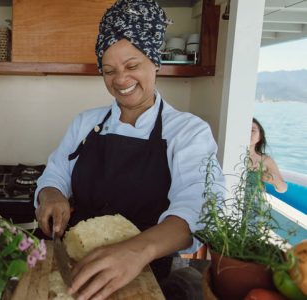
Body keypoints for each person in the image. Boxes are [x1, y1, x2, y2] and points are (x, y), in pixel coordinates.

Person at [34, 0, 224, 299]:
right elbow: (55, 172)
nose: (120, 79)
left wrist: (136, 251)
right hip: (75, 263)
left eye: (132, 65)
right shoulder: (86, 122)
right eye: (108, 70)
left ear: (155, 61)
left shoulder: (188, 132)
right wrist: (51, 194)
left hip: (149, 272)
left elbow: (195, 210)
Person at [249, 118, 287, 193]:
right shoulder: (229, 156)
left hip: (254, 203)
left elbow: (283, 189)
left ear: (260, 136)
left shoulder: (265, 160)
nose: (248, 133)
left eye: (252, 130)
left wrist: (274, 180)